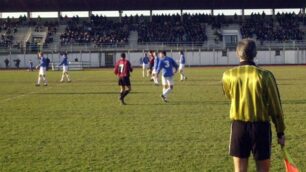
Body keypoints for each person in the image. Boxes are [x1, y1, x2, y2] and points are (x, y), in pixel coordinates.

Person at [222, 39, 285, 172]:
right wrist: (280, 131)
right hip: (260, 127)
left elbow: (229, 96)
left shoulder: (228, 75)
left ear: (237, 53)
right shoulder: (265, 75)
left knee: (239, 170)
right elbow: (275, 105)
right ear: (255, 53)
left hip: (239, 127)